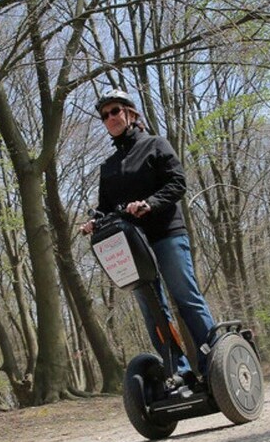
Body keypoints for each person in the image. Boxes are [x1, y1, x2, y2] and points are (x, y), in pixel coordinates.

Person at [80, 89, 215, 381]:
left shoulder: (155, 145)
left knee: (185, 298)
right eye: (104, 116)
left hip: (166, 233)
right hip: (132, 246)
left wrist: (149, 204)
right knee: (153, 310)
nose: (110, 118)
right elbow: (104, 208)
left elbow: (177, 183)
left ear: (130, 113)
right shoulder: (109, 167)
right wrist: (93, 222)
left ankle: (212, 361)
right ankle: (178, 371)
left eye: (115, 111)